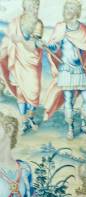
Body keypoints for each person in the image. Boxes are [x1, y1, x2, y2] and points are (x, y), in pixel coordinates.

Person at [43, 0, 86, 139]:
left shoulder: (82, 28)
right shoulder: (60, 28)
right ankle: (70, 128)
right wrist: (48, 46)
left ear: (76, 12)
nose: (67, 10)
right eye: (66, 8)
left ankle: (83, 125)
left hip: (79, 69)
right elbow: (55, 47)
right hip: (66, 70)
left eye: (71, 8)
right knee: (69, 100)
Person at [0, 0, 44, 133]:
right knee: (20, 92)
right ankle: (25, 121)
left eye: (37, 6)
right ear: (25, 6)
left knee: (34, 91)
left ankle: (31, 117)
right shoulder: (15, 23)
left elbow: (33, 46)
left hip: (31, 62)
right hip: (17, 61)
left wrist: (21, 40)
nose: (36, 8)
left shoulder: (38, 24)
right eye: (33, 5)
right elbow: (7, 42)